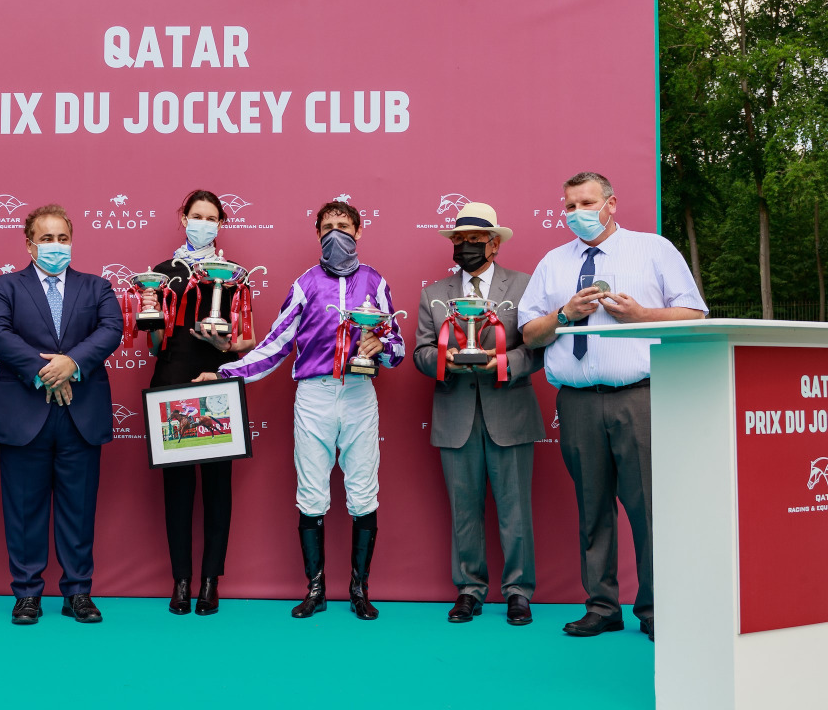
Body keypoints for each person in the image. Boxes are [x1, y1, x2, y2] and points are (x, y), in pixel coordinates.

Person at [519, 171, 707, 642]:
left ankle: (655, 607)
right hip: (578, 403)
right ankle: (602, 606)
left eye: (586, 202)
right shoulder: (552, 263)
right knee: (592, 507)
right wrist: (564, 314)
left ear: (611, 204)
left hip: (637, 398)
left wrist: (642, 315)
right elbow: (528, 333)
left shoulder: (654, 250)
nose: (576, 213)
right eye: (568, 205)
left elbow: (694, 313)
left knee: (646, 507)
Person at [195, 200, 404, 621]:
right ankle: (316, 590)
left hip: (361, 391)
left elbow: (396, 347)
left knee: (363, 492)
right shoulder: (305, 284)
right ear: (317, 235)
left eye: (344, 227)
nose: (336, 235)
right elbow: (275, 344)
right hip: (313, 394)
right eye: (327, 228)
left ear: (360, 232)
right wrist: (225, 373)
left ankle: (360, 591)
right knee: (312, 493)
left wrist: (380, 347)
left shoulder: (376, 283)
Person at [0, 204, 122, 625]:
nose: (56, 246)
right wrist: (47, 372)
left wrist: (71, 364)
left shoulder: (97, 287)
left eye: (63, 238)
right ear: (29, 244)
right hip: (24, 414)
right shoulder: (4, 286)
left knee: (78, 509)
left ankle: (78, 592)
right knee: (23, 509)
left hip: (81, 414)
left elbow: (110, 329)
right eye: (47, 239)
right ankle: (27, 594)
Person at [412, 202, 544, 625]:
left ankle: (519, 591)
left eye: (474, 240)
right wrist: (444, 360)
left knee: (516, 508)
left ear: (494, 244)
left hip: (511, 411)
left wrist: (503, 363)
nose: (465, 246)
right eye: (459, 240)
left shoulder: (525, 287)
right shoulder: (433, 294)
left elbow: (537, 348)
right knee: (463, 509)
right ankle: (469, 589)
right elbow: (420, 352)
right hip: (455, 415)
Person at [138, 190, 256, 616]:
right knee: (178, 490)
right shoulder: (161, 273)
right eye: (196, 216)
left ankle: (210, 581)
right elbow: (155, 347)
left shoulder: (234, 274)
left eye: (211, 217)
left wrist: (224, 342)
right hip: (172, 386)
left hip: (217, 384)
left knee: (217, 489)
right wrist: (149, 314)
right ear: (182, 217)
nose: (203, 223)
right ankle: (181, 581)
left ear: (220, 224)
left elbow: (248, 339)